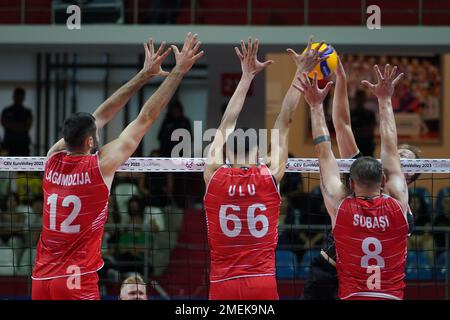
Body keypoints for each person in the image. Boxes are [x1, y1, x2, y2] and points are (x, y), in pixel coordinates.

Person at [31, 32, 203, 300]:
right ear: (90, 141)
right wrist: (177, 72)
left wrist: (144, 74)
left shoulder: (52, 159)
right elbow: (146, 117)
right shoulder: (101, 166)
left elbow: (99, 116)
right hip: (76, 279)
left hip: (41, 277)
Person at [203, 36, 325, 300]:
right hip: (261, 282)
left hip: (223, 283)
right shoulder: (269, 176)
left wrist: (246, 76)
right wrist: (301, 72)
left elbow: (225, 124)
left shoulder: (214, 176)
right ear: (258, 153)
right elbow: (285, 122)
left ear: (226, 151)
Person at [302, 57, 419, 300]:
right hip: (329, 270)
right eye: (400, 157)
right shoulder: (364, 171)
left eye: (409, 162)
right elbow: (343, 126)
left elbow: (325, 151)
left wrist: (314, 107)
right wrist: (342, 81)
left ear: (413, 177)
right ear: (388, 170)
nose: (402, 162)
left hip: (359, 282)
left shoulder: (399, 209)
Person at [1, 87, 33, 156]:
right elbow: (4, 123)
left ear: (23, 98)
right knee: (8, 165)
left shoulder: (27, 112)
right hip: (9, 144)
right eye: (17, 96)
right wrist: (20, 126)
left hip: (23, 144)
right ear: (14, 97)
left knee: (25, 165)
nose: (18, 99)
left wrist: (11, 125)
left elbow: (27, 126)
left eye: (20, 97)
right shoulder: (7, 111)